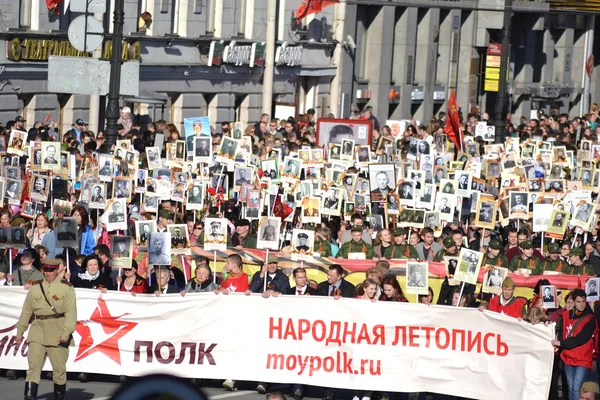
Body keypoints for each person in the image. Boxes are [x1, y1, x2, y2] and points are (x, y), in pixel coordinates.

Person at [16, 258, 76, 400]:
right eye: (46, 270)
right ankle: (29, 397)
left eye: (51, 270)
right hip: (38, 330)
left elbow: (71, 313)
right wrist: (20, 332)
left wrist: (66, 333)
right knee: (33, 368)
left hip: (57, 330)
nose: (48, 273)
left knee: (59, 370)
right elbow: (26, 312)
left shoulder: (66, 288)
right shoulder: (35, 288)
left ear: (57, 270)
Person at [552, 289, 598, 400]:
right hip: (568, 357)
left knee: (576, 387)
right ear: (573, 302)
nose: (581, 304)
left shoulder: (590, 319)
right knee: (570, 387)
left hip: (583, 358)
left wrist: (561, 343)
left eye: (583, 301)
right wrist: (559, 345)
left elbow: (581, 338)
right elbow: (562, 332)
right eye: (578, 301)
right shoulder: (566, 315)